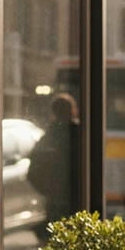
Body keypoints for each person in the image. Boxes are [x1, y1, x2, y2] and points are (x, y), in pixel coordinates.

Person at [27, 93, 81, 234]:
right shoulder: (82, 134)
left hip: (56, 201)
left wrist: (49, 190)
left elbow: (33, 171)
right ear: (72, 110)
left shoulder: (49, 136)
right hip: (78, 199)